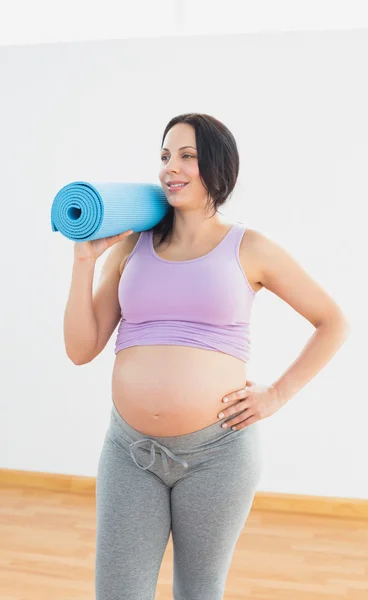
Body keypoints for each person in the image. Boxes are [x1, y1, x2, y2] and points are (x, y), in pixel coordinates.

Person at [64, 113, 350, 600]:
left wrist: (277, 395)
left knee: (198, 590)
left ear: (218, 165)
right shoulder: (132, 245)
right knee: (118, 591)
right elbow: (80, 349)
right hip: (130, 452)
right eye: (164, 156)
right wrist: (83, 262)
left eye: (186, 156)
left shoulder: (250, 247)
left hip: (218, 454)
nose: (170, 168)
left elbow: (333, 322)